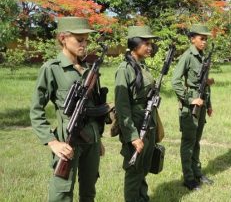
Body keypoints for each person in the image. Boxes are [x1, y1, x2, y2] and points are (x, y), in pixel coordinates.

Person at [30, 17, 107, 201]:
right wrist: (52, 142)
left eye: (86, 40)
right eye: (79, 39)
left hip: (92, 139)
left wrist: (98, 138)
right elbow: (36, 110)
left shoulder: (89, 68)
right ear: (63, 38)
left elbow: (94, 105)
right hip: (68, 141)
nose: (84, 44)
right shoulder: (52, 68)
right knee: (61, 193)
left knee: (89, 191)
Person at [114, 25, 158, 201]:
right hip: (135, 127)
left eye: (150, 44)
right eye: (145, 43)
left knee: (143, 168)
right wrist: (132, 136)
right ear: (134, 44)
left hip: (148, 124)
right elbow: (122, 106)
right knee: (133, 172)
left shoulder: (143, 66)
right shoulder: (124, 69)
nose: (150, 47)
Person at [171, 24, 215, 191]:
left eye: (206, 39)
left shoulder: (203, 56)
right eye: (201, 39)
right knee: (188, 142)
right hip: (190, 108)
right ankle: (188, 178)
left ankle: (197, 172)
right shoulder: (187, 56)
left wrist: (209, 104)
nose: (204, 42)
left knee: (197, 141)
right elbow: (175, 81)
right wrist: (191, 99)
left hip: (202, 104)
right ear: (192, 39)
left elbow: (203, 85)